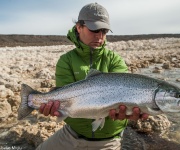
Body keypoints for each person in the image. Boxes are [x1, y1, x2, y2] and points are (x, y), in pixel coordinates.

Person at [36, 3, 148, 150]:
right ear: (79, 27)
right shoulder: (66, 60)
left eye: (104, 30)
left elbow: (125, 93)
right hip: (71, 135)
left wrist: (132, 110)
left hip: (108, 141)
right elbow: (63, 99)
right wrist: (49, 104)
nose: (100, 36)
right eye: (94, 29)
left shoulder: (115, 60)